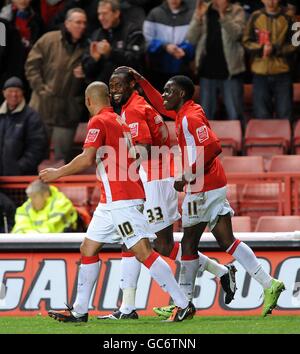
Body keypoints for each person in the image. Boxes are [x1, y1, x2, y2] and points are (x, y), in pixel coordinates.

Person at [124, 66, 285, 318]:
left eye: (168, 92)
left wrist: (187, 175)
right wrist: (144, 81)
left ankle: (183, 304)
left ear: (181, 94)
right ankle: (269, 284)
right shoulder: (186, 111)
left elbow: (213, 147)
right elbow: (159, 105)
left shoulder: (190, 118)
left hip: (202, 187)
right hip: (212, 182)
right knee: (227, 240)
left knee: (188, 244)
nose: (163, 96)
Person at [39, 81, 196, 323]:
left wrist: (57, 173)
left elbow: (87, 157)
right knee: (88, 249)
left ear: (88, 100)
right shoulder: (119, 119)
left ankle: (184, 305)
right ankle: (80, 312)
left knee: (143, 251)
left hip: (123, 199)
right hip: (110, 200)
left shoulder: (99, 121)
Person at [97, 68, 236, 320]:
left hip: (155, 179)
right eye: (111, 85)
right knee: (144, 242)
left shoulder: (134, 111)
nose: (114, 90)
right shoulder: (139, 105)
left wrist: (119, 165)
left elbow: (144, 148)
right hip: (155, 177)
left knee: (150, 243)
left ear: (131, 86)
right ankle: (219, 272)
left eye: (119, 85)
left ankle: (132, 308)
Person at [25, 8, 88, 163]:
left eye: (84, 23)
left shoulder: (87, 49)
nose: (82, 26)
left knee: (61, 162)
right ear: (67, 23)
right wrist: (41, 89)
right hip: (41, 108)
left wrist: (85, 75)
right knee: (36, 156)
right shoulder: (49, 40)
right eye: (78, 22)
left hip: (67, 113)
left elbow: (94, 79)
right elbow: (31, 66)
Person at [185, 0, 246, 121]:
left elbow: (237, 34)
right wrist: (198, 16)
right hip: (207, 70)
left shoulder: (236, 10)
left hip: (230, 71)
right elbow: (191, 38)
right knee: (206, 114)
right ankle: (208, 140)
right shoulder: (204, 10)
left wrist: (223, 16)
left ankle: (237, 138)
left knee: (234, 113)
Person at [243, 0, 296, 120]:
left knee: (285, 113)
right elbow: (246, 42)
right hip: (260, 72)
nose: (271, 2)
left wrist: (276, 49)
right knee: (261, 114)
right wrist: (261, 48)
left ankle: (284, 138)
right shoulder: (255, 16)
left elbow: (296, 44)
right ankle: (263, 139)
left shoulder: (290, 17)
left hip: (283, 72)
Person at [82, 0, 145, 85]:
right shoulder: (96, 35)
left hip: (127, 89)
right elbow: (87, 71)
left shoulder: (133, 32)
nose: (101, 17)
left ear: (116, 13)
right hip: (103, 90)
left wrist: (110, 52)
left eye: (105, 13)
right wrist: (94, 60)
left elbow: (136, 61)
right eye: (99, 14)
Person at [0, 76, 48, 176]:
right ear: (4, 93)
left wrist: (19, 168)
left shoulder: (32, 116)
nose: (14, 94)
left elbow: (37, 148)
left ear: (22, 93)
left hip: (21, 177)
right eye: (10, 91)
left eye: (17, 91)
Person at [143, 0, 195, 91]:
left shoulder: (191, 14)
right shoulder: (155, 13)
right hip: (158, 70)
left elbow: (195, 40)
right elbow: (146, 41)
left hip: (182, 70)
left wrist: (184, 49)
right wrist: (164, 46)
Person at [12, 180, 78, 233]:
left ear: (46, 195)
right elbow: (19, 228)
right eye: (30, 197)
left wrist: (28, 235)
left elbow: (50, 230)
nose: (31, 201)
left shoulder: (62, 204)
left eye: (34, 197)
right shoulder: (27, 206)